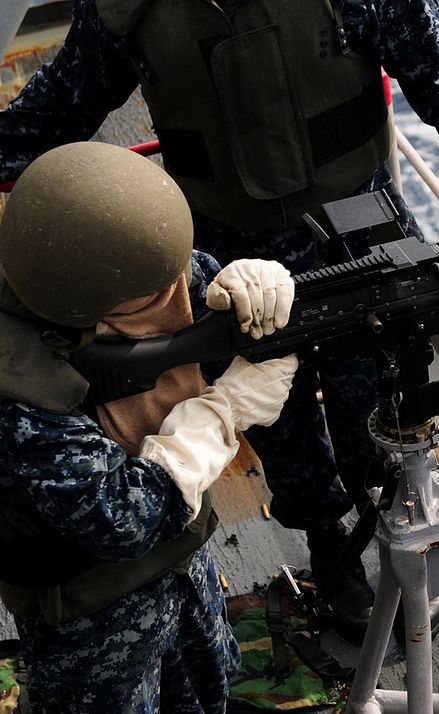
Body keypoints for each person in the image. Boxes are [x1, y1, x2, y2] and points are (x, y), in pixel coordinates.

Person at [0, 0, 439, 644]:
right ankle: (328, 547)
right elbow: (54, 113)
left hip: (364, 234)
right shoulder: (128, 8)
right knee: (277, 416)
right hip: (225, 259)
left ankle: (396, 517)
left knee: (385, 396)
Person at [0, 141, 299, 712]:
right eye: (157, 290)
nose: (178, 290)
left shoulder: (96, 272)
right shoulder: (18, 393)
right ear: (86, 307)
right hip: (94, 619)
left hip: (184, 560)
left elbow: (188, 290)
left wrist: (252, 294)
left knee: (208, 690)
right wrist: (225, 412)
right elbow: (125, 520)